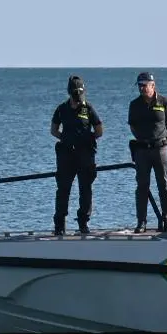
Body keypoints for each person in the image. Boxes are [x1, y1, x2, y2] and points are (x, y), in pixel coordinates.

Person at [50, 75, 103, 235]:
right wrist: (65, 138)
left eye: (80, 94)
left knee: (85, 189)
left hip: (85, 154)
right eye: (75, 94)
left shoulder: (88, 108)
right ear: (69, 93)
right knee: (63, 190)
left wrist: (88, 139)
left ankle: (83, 223)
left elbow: (99, 129)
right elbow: (53, 130)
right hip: (66, 155)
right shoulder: (62, 109)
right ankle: (59, 225)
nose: (78, 98)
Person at [127, 70, 167, 232]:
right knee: (142, 187)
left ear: (153, 85)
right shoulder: (134, 105)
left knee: (164, 185)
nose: (142, 88)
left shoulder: (164, 102)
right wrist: (142, 139)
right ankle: (141, 222)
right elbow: (132, 126)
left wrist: (166, 142)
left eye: (144, 85)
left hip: (160, 149)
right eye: (139, 86)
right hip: (142, 150)